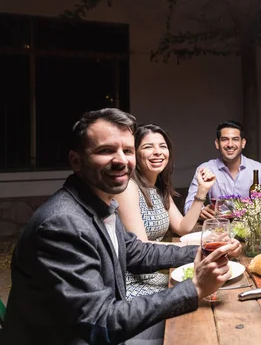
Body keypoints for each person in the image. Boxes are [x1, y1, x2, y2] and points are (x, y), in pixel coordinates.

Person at [1, 108, 242, 345]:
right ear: (76, 160)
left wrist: (207, 250)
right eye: (106, 151)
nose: (120, 160)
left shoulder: (99, 204)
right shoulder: (62, 223)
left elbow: (137, 252)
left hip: (103, 328)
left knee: (204, 326)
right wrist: (195, 287)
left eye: (127, 150)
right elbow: (100, 322)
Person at [115, 123, 217, 300]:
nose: (157, 152)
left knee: (215, 288)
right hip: (132, 283)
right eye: (148, 147)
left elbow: (183, 227)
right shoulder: (129, 188)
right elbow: (142, 248)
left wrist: (202, 191)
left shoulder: (158, 188)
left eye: (162, 146)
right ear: (135, 154)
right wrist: (199, 248)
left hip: (155, 275)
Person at [184, 120, 261, 219]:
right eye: (224, 139)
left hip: (252, 229)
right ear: (217, 143)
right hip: (219, 229)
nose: (230, 144)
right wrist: (200, 211)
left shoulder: (259, 169)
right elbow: (188, 208)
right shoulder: (205, 169)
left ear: (243, 143)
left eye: (235, 139)